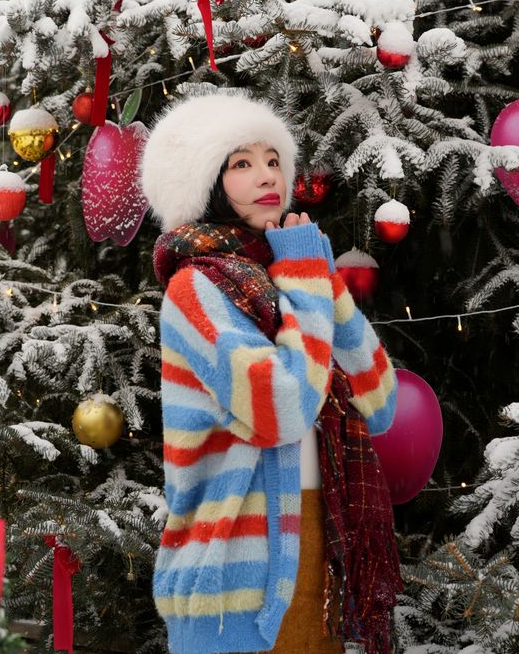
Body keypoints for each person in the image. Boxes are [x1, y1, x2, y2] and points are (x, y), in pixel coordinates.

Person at [140, 91, 402, 654]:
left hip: (318, 554)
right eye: (241, 163)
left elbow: (379, 404)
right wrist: (306, 278)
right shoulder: (197, 289)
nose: (267, 175)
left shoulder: (291, 272)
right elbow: (282, 409)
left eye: (273, 159)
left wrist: (317, 276)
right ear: (205, 182)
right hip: (230, 574)